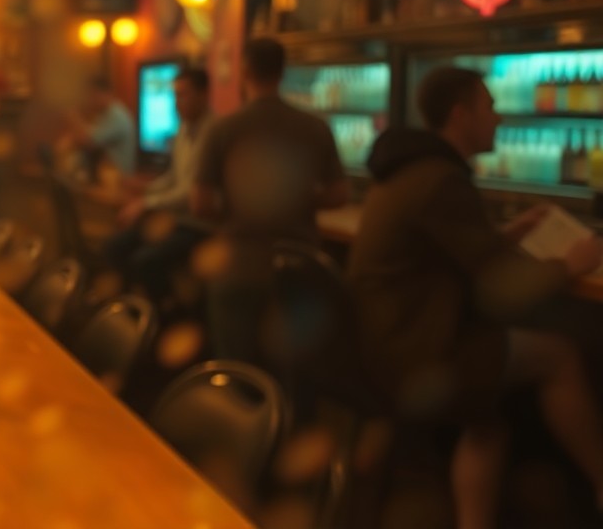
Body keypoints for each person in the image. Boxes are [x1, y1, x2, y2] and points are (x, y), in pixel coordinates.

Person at [349, 67, 603, 529]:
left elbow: (456, 255)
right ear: (460, 115)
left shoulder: (413, 168)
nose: (499, 118)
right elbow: (502, 287)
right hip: (419, 352)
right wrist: (572, 264)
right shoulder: (440, 178)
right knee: (561, 355)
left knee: (488, 425)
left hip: (384, 342)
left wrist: (508, 235)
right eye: (490, 107)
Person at [192, 38, 348, 359]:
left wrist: (239, 208)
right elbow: (339, 194)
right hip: (298, 266)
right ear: (282, 72)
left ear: (244, 71)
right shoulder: (314, 127)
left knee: (237, 366)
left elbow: (201, 204)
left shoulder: (223, 129)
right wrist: (296, 199)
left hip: (239, 265)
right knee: (295, 368)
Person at [105, 66, 214, 294]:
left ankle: (166, 310)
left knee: (145, 261)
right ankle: (129, 308)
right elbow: (173, 176)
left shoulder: (214, 134)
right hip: (177, 220)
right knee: (115, 246)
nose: (176, 103)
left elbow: (188, 192)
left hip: (200, 227)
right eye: (175, 95)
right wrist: (146, 189)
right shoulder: (184, 128)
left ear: (204, 95)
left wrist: (146, 203)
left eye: (183, 95)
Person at [66, 75, 137, 179]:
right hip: (107, 174)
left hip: (118, 178)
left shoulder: (116, 116)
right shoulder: (106, 113)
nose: (90, 100)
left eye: (93, 95)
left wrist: (73, 116)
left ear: (104, 94)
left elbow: (87, 141)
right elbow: (88, 134)